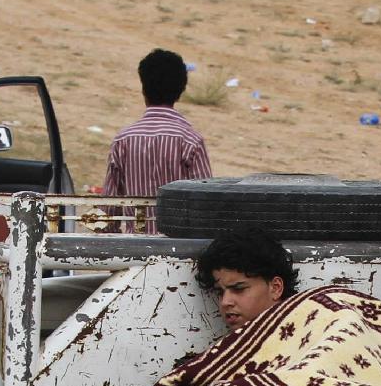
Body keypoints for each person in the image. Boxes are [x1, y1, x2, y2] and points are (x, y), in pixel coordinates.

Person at [101, 48, 212, 211]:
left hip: (134, 237)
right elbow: (205, 202)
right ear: (180, 91)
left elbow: (107, 210)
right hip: (179, 237)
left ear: (143, 89)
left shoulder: (123, 140)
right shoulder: (191, 140)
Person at [194, 227, 296, 332]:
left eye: (238, 289)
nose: (225, 302)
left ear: (275, 288)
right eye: (220, 292)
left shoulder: (306, 339)